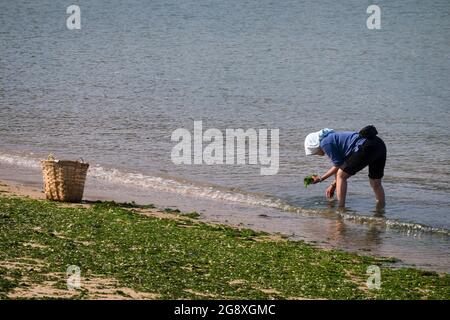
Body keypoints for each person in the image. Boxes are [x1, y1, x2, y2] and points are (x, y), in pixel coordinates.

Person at [304, 126, 386, 209]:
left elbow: (338, 166)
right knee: (376, 182)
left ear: (314, 145)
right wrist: (333, 185)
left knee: (341, 175)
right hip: (379, 144)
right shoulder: (333, 137)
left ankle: (341, 208)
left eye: (314, 152)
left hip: (366, 146)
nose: (316, 154)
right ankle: (381, 209)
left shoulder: (325, 143)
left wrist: (321, 178)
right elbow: (342, 166)